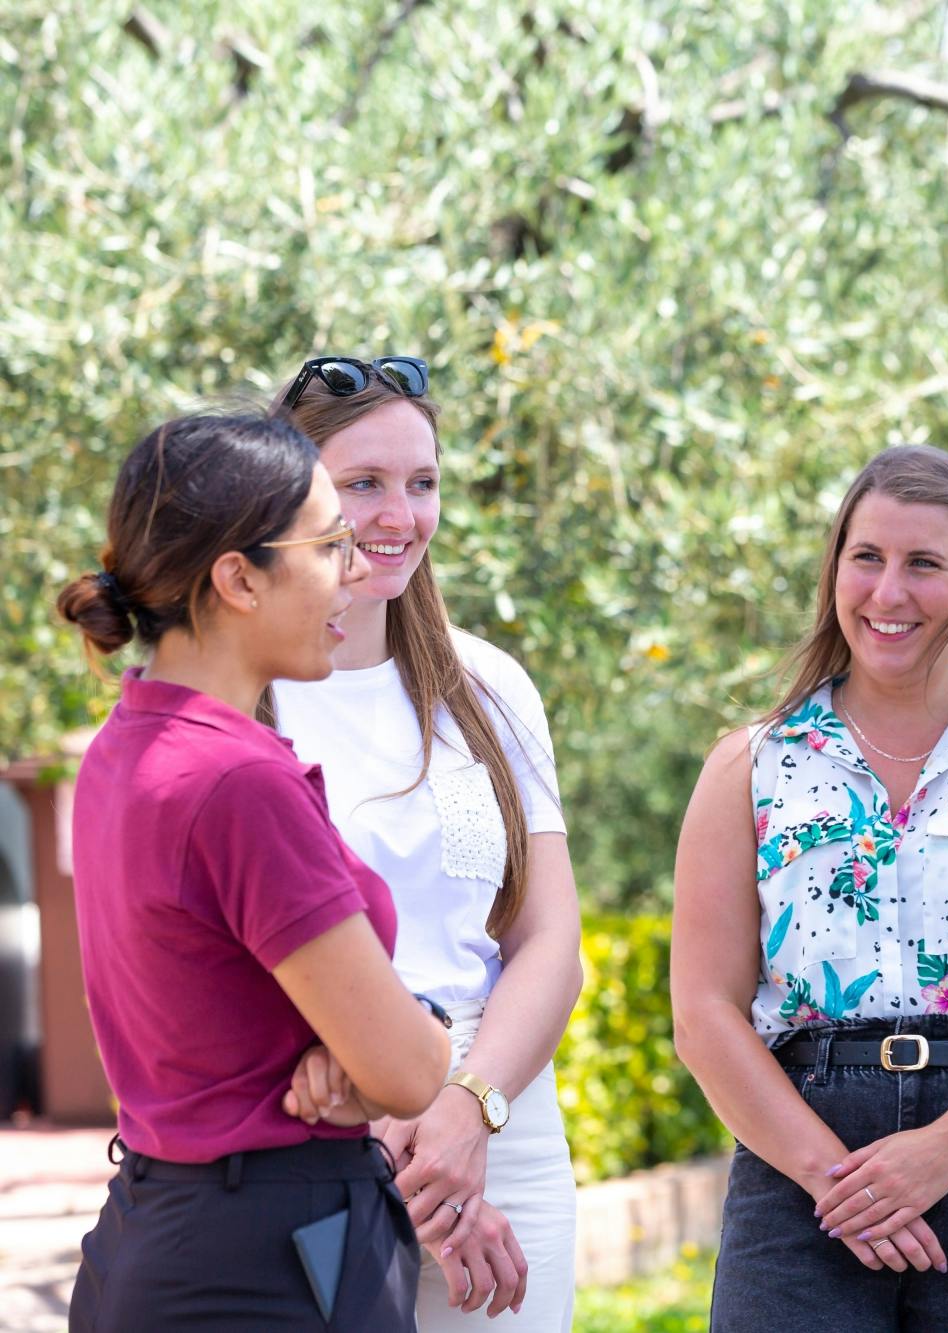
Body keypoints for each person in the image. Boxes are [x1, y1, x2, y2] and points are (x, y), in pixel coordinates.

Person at [671, 444, 948, 1330]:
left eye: (923, 563)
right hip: (800, 1176)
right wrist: (837, 1181)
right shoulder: (749, 764)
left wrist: (941, 1151)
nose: (888, 592)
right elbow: (703, 1013)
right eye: (867, 557)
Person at [57, 413, 453, 1330]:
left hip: (159, 1230)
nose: (352, 571)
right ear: (238, 578)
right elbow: (406, 1072)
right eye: (328, 545)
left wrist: (361, 1052)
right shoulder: (237, 782)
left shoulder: (127, 743)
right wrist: (418, 1028)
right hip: (270, 1259)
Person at [267, 355, 582, 1328]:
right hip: (315, 1119)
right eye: (363, 483)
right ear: (289, 494)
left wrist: (464, 1110)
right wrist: (384, 1105)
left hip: (500, 1117)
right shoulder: (250, 694)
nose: (400, 515)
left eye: (423, 482)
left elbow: (549, 942)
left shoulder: (490, 687)